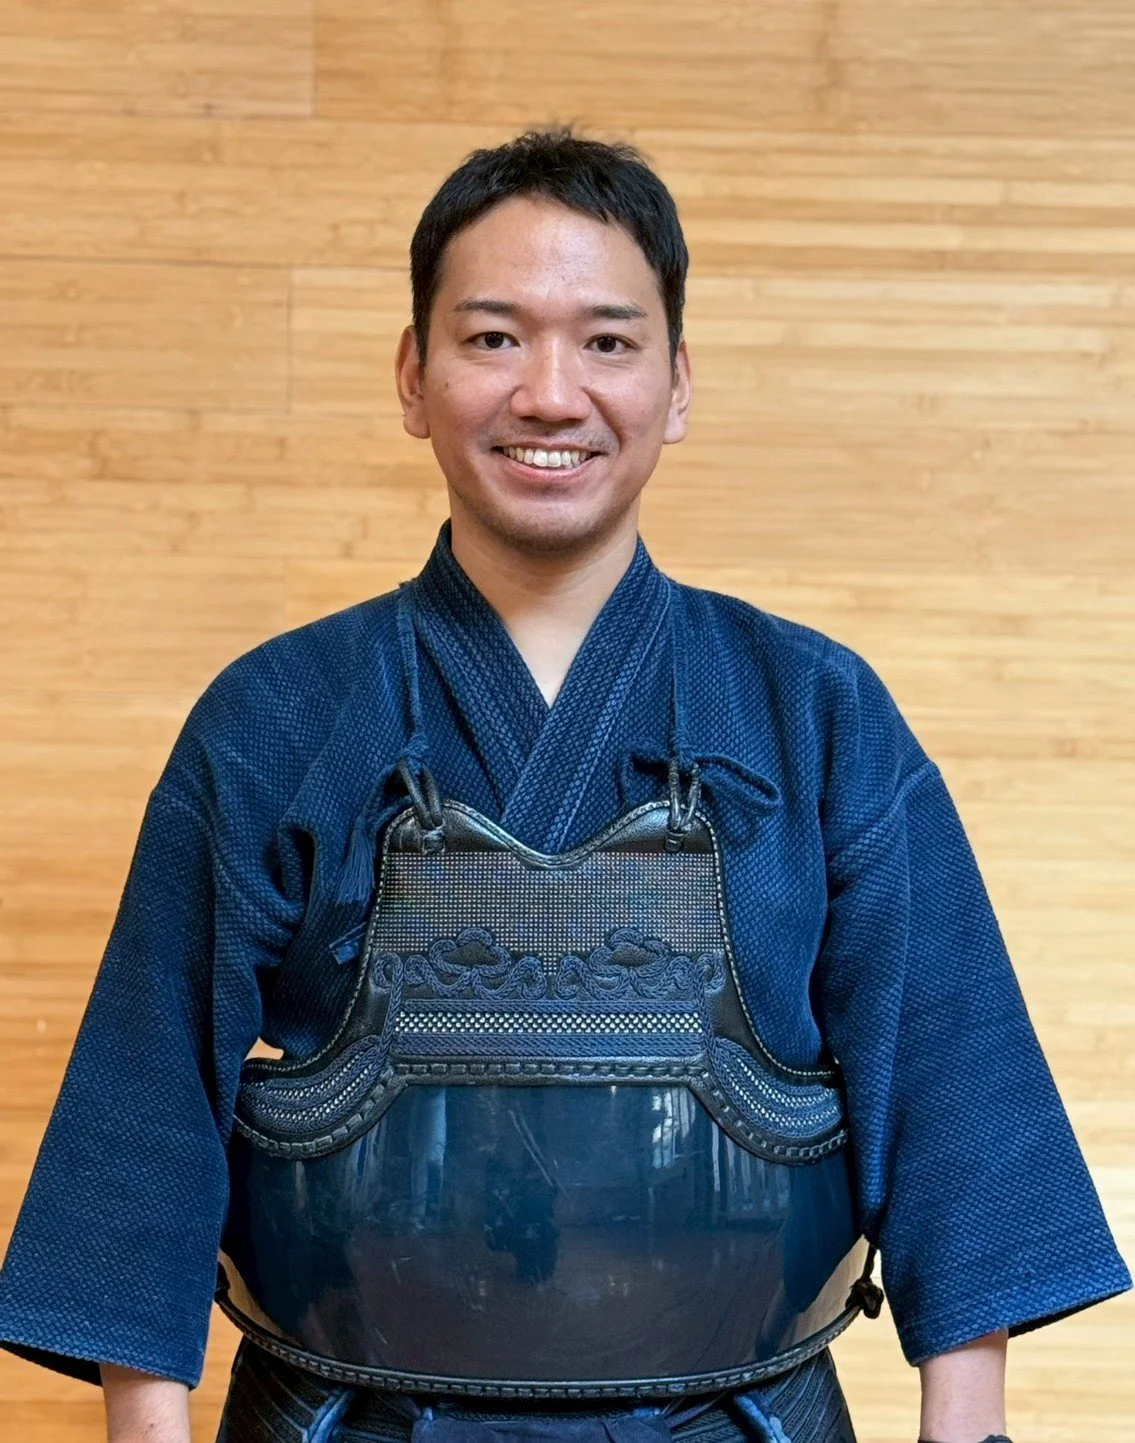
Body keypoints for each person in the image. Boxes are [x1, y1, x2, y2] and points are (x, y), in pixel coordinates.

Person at [0, 128, 1129, 1443]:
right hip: (350, 1421)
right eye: (492, 339)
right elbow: (148, 1108)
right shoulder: (274, 717)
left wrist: (965, 1427)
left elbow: (949, 1087)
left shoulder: (815, 710)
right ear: (414, 375)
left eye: (604, 340)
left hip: (734, 1421)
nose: (549, 392)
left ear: (677, 380)